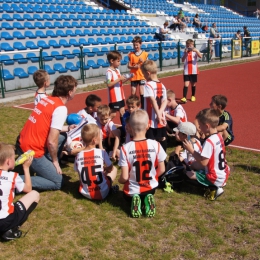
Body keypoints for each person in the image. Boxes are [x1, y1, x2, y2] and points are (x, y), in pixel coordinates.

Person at [16, 75, 78, 191]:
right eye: (75, 89)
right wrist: (55, 161)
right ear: (69, 92)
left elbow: (48, 126)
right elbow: (51, 142)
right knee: (58, 182)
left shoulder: (47, 99)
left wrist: (68, 127)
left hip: (21, 142)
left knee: (63, 135)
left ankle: (46, 165)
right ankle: (13, 180)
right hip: (32, 151)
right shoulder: (60, 108)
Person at [118, 110, 166, 218]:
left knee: (126, 196)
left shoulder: (125, 148)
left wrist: (119, 181)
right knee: (148, 192)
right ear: (148, 126)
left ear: (129, 126)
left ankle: (135, 200)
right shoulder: (156, 145)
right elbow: (162, 169)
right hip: (151, 187)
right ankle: (146, 200)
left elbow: (124, 177)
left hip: (132, 189)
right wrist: (153, 177)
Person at [183, 108, 230, 200]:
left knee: (187, 174)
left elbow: (203, 162)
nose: (199, 128)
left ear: (207, 126)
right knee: (193, 166)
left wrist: (191, 150)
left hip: (215, 177)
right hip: (223, 173)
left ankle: (214, 188)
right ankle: (215, 186)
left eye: (200, 126)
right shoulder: (218, 136)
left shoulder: (209, 141)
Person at [0, 143, 40, 241]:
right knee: (35, 194)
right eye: (14, 158)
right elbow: (28, 189)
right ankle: (11, 229)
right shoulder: (12, 176)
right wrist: (26, 168)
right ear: (8, 161)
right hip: (4, 221)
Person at [74, 124, 117, 200]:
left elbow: (79, 173)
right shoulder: (101, 152)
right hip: (103, 192)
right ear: (94, 140)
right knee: (114, 169)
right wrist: (106, 169)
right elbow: (110, 168)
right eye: (100, 136)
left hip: (84, 192)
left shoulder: (78, 155)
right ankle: (109, 189)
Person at [141, 60, 167, 152]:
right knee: (162, 137)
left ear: (148, 73)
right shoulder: (162, 85)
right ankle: (163, 157)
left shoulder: (148, 85)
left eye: (143, 74)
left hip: (151, 119)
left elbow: (152, 100)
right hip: (161, 117)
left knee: (151, 139)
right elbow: (165, 101)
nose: (143, 76)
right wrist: (160, 114)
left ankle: (154, 157)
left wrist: (158, 116)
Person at [106, 51, 128, 122]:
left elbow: (120, 81)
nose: (119, 63)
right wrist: (119, 79)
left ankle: (125, 128)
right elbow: (109, 84)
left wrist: (128, 78)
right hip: (114, 97)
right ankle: (104, 124)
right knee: (113, 114)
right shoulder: (109, 72)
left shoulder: (117, 70)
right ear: (112, 61)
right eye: (118, 61)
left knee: (122, 112)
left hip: (120, 96)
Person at [127, 36, 148, 107]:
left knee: (142, 92)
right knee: (133, 92)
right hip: (134, 76)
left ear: (140, 44)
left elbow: (148, 64)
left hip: (142, 76)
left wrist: (144, 61)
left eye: (137, 45)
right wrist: (133, 67)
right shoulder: (131, 54)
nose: (135, 47)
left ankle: (143, 106)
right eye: (134, 45)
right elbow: (128, 65)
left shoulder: (144, 54)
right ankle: (133, 106)